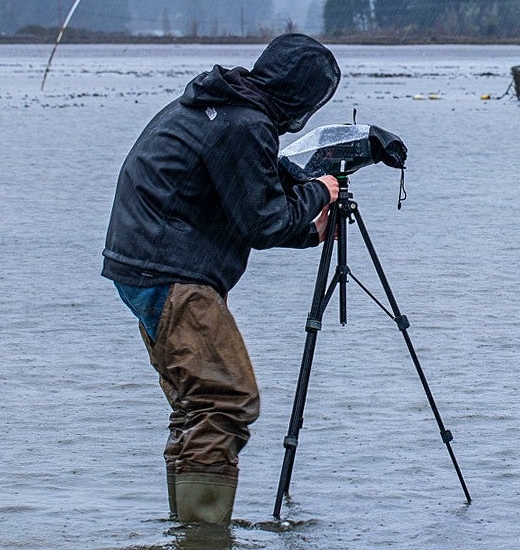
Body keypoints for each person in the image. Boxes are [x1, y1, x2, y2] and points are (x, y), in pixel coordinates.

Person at [102, 34, 342, 524]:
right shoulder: (245, 124)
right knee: (225, 400)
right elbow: (263, 221)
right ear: (300, 94)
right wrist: (323, 190)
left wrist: (310, 228)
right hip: (173, 273)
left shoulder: (227, 106)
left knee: (197, 405)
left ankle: (187, 532)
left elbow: (244, 202)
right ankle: (205, 537)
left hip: (147, 267)